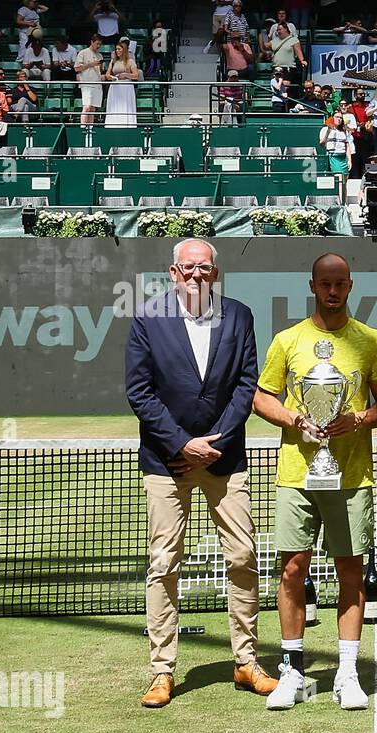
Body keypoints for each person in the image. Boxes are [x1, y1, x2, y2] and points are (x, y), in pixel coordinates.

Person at [124, 239, 275, 709]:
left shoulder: (240, 316)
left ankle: (246, 661)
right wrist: (180, 444)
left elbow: (247, 384)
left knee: (244, 555)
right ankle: (162, 671)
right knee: (164, 563)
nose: (196, 275)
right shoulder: (148, 317)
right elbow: (139, 390)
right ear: (173, 273)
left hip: (224, 458)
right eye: (187, 268)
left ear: (216, 273)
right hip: (166, 461)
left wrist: (215, 443)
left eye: (204, 268)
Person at [252, 254, 377, 712]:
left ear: (350, 286)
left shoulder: (371, 342)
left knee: (351, 571)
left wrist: (358, 420)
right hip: (296, 474)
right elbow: (261, 397)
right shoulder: (288, 340)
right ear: (312, 285)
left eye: (339, 284)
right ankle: (292, 669)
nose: (332, 291)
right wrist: (294, 417)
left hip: (352, 477)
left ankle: (346, 672)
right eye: (324, 284)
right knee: (292, 568)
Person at [104, 39, 139, 128]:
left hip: (126, 87)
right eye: (116, 49)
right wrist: (110, 77)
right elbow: (107, 74)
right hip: (115, 87)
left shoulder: (130, 61)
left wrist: (126, 75)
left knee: (125, 107)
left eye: (119, 49)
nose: (117, 51)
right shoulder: (113, 61)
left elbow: (136, 76)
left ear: (124, 50)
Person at [318, 113, 353, 202]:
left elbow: (347, 146)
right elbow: (322, 143)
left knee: (344, 182)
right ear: (332, 118)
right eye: (337, 117)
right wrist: (328, 131)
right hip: (334, 156)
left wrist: (349, 160)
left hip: (343, 157)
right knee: (340, 180)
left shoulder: (344, 131)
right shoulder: (325, 129)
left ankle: (344, 203)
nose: (339, 119)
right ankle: (341, 203)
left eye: (341, 118)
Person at [75, 35, 105, 126]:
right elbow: (77, 68)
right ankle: (83, 127)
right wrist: (90, 64)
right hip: (86, 83)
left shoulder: (100, 55)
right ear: (92, 42)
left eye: (100, 44)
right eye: (97, 44)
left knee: (92, 109)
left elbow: (102, 70)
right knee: (87, 107)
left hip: (97, 83)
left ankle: (90, 128)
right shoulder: (83, 53)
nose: (98, 46)